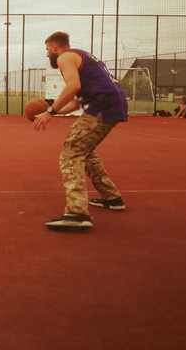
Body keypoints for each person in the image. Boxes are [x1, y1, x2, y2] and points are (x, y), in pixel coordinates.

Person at [34, 32, 127, 230]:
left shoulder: (64, 57)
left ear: (54, 48)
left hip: (101, 106)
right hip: (108, 103)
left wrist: (50, 111)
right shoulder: (81, 56)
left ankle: (77, 214)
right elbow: (77, 99)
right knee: (85, 150)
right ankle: (112, 198)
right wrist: (52, 112)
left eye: (47, 50)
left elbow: (73, 86)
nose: (47, 54)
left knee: (71, 151)